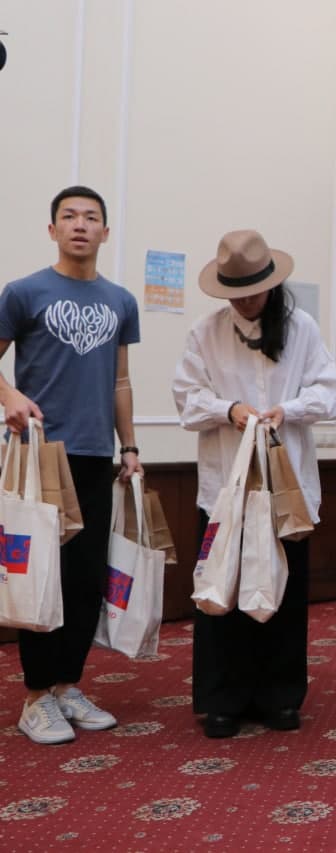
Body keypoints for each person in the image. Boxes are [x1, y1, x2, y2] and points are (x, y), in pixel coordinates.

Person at [172, 229, 336, 739]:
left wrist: (286, 410)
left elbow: (330, 394)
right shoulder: (205, 332)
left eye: (254, 291)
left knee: (284, 590)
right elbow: (186, 400)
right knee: (220, 590)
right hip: (225, 487)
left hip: (286, 486)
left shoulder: (302, 327)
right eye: (236, 293)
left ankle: (280, 697)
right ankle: (223, 700)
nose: (246, 301)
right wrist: (229, 410)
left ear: (271, 284)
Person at [0, 186, 142, 744]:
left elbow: (121, 380)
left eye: (91, 217)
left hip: (94, 456)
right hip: (39, 456)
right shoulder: (23, 292)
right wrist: (9, 396)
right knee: (44, 578)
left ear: (105, 232)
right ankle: (36, 697)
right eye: (69, 216)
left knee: (85, 579)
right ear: (52, 229)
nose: (80, 225)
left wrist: (129, 447)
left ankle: (66, 686)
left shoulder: (120, 301)